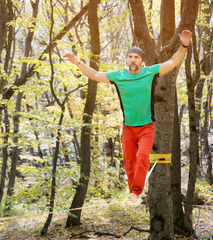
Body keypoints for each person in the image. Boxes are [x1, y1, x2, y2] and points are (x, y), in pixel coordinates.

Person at [63, 30, 192, 203]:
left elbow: (173, 62)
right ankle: (133, 192)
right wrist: (76, 62)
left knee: (143, 157)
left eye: (136, 57)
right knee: (129, 161)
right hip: (128, 127)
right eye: (130, 56)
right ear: (127, 59)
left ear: (142, 61)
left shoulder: (150, 73)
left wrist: (184, 45)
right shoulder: (118, 76)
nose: (133, 60)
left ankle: (137, 191)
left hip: (147, 126)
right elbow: (94, 75)